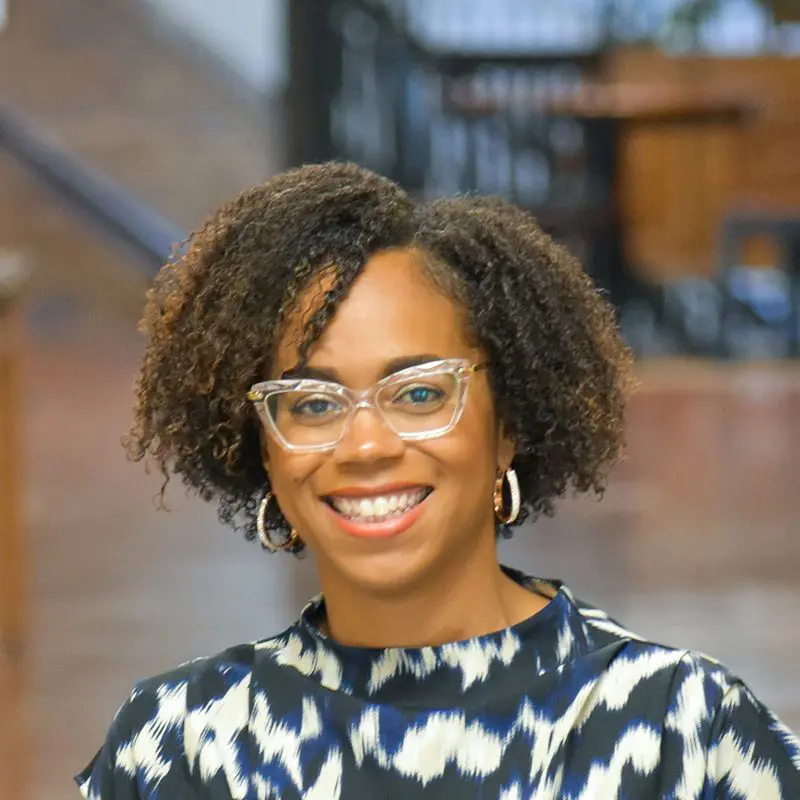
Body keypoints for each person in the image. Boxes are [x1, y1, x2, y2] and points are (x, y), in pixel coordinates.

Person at [76, 162, 800, 799]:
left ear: (507, 423)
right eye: (313, 403)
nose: (365, 445)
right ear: (264, 449)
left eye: (419, 393)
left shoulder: (682, 736)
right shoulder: (182, 748)